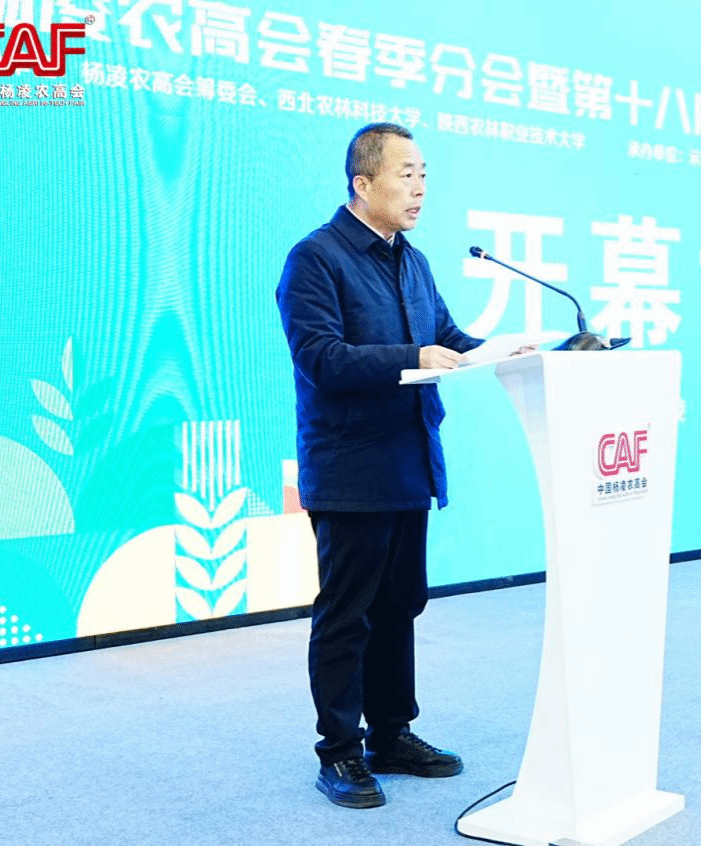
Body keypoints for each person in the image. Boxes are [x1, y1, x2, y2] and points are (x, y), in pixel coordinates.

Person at [275, 122, 481, 809]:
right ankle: (339, 751)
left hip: (410, 461)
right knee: (348, 614)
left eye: (424, 175)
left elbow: (446, 338)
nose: (419, 188)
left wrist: (522, 348)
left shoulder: (412, 261)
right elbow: (322, 358)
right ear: (362, 183)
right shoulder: (315, 258)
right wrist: (412, 357)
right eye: (406, 174)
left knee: (399, 606)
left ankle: (391, 735)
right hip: (351, 470)